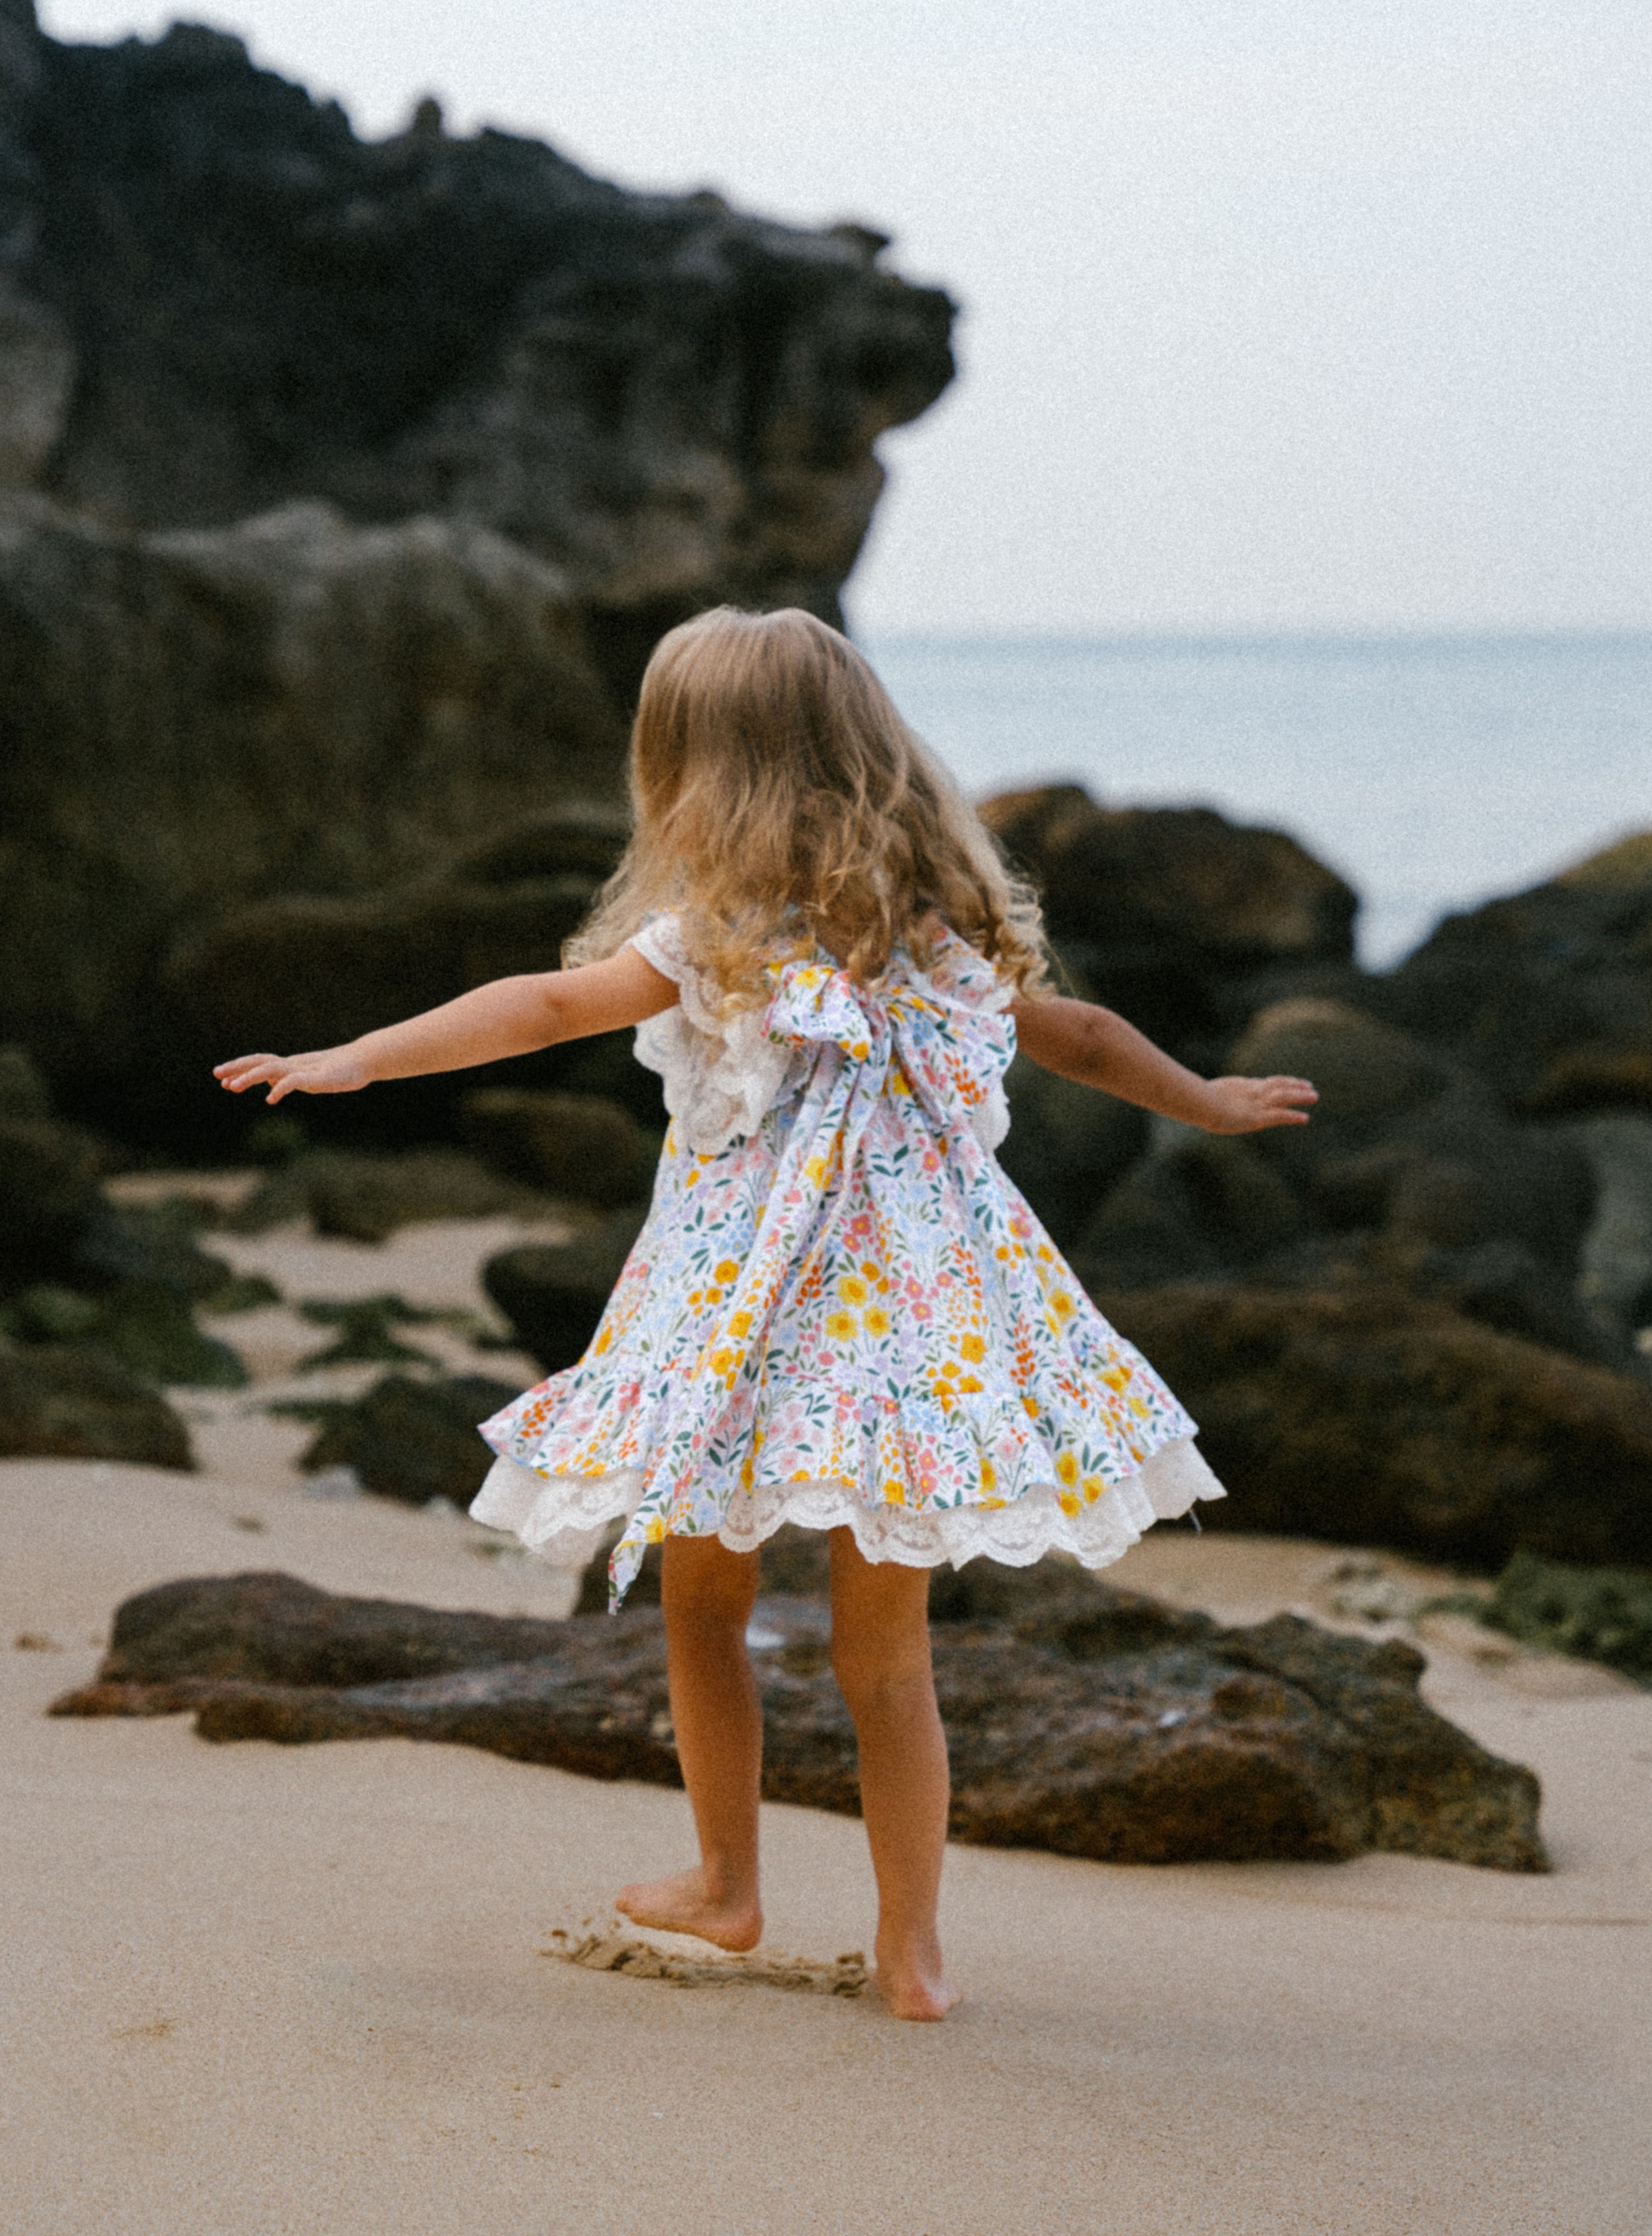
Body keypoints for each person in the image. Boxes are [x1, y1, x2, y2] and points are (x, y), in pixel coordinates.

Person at [215, 606, 1316, 2021]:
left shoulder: (715, 939)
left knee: (703, 1602)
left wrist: (360, 1058)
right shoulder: (937, 931)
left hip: (742, 1325)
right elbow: (1085, 1036)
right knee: (889, 1659)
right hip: (921, 1330)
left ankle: (728, 1883)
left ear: (690, 772)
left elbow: (544, 1005)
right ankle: (912, 1955)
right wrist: (1209, 1099)